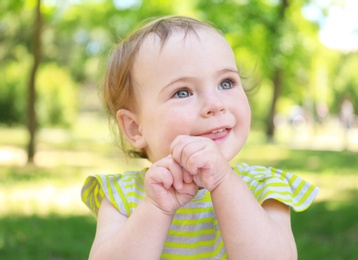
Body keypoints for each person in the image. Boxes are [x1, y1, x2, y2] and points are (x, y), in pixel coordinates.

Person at [81, 15, 319, 259]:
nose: (215, 104)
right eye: (182, 92)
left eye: (226, 83)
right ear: (135, 128)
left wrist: (222, 181)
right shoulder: (122, 196)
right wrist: (156, 208)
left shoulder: (263, 187)